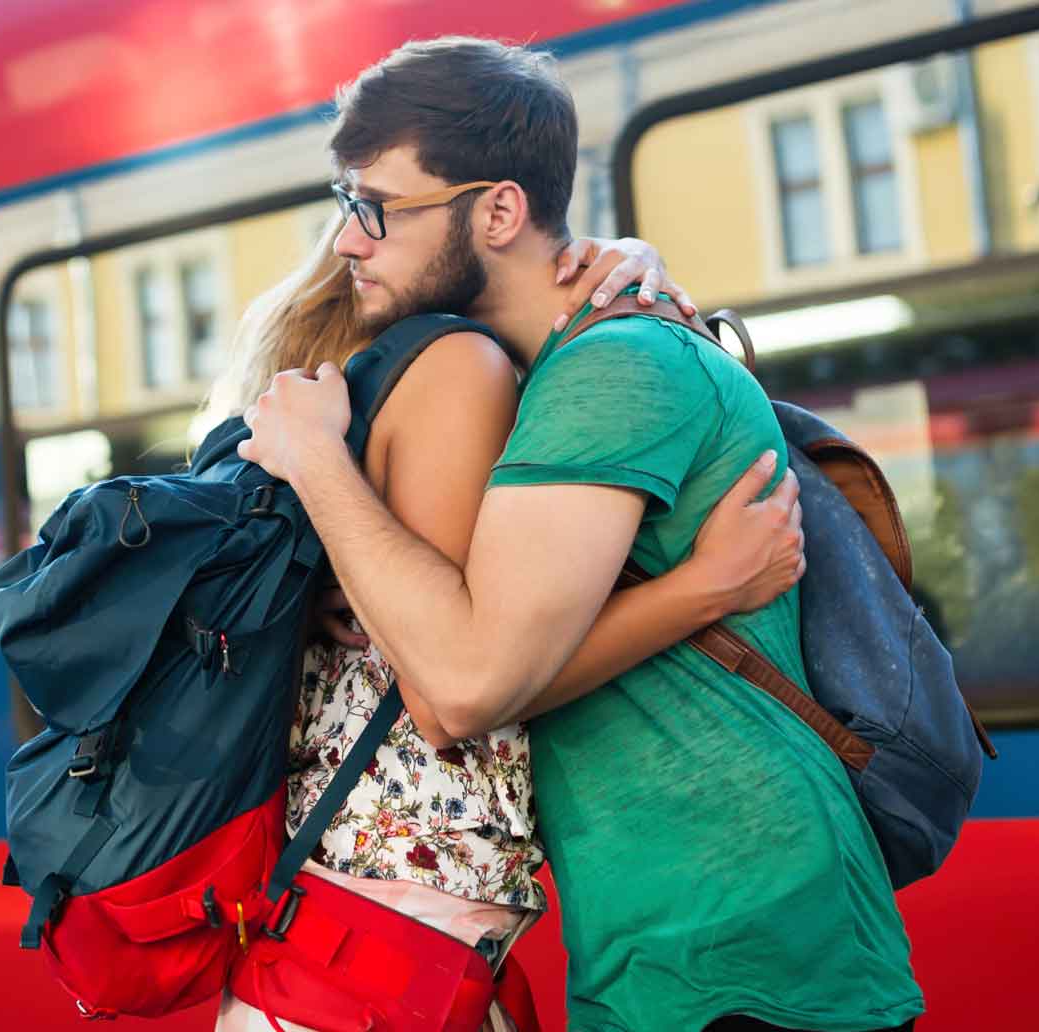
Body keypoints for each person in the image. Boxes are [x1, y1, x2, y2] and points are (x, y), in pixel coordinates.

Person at [237, 37, 923, 1032]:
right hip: (660, 943)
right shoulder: (565, 363)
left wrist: (321, 467)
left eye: (376, 208)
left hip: (742, 938)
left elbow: (462, 688)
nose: (348, 240)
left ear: (500, 209)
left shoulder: (615, 369)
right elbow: (475, 678)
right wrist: (694, 591)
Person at [208, 226, 805, 1029]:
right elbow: (464, 688)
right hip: (371, 961)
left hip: (376, 954)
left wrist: (634, 266)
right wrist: (704, 588)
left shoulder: (343, 415)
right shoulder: (451, 374)